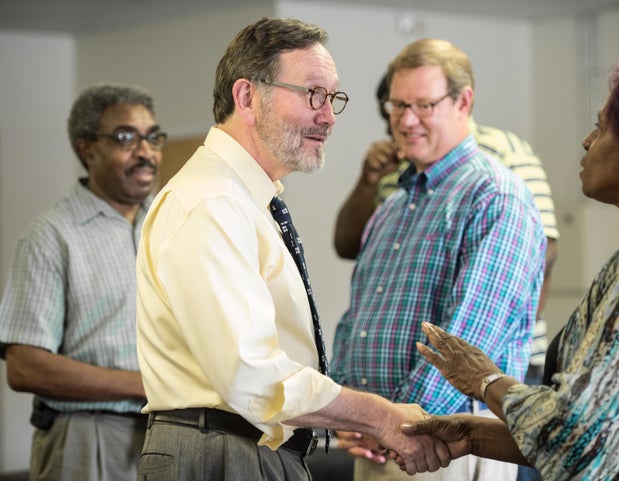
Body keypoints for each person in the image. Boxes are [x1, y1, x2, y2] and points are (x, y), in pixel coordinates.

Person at [134, 17, 450, 481]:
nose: (329, 116)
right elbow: (252, 374)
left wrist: (338, 420)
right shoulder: (211, 204)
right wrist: (379, 415)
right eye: (312, 95)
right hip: (221, 454)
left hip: (247, 447)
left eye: (333, 97)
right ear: (247, 97)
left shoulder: (246, 200)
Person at [400, 58, 619, 480]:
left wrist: (484, 380)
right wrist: (472, 434)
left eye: (601, 128)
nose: (588, 141)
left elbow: (580, 434)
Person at [330, 38, 547, 481]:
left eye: (424, 105)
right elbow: (356, 322)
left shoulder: (495, 196)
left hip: (444, 445)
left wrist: (390, 426)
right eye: (396, 106)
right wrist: (350, 416)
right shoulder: (393, 204)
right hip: (377, 443)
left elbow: (466, 343)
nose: (406, 121)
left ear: (463, 101)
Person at [0, 83, 164, 481]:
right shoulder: (52, 235)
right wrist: (143, 383)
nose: (145, 152)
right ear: (87, 148)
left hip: (166, 434)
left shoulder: (166, 225)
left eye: (152, 137)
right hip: (86, 434)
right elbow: (24, 367)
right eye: (126, 138)